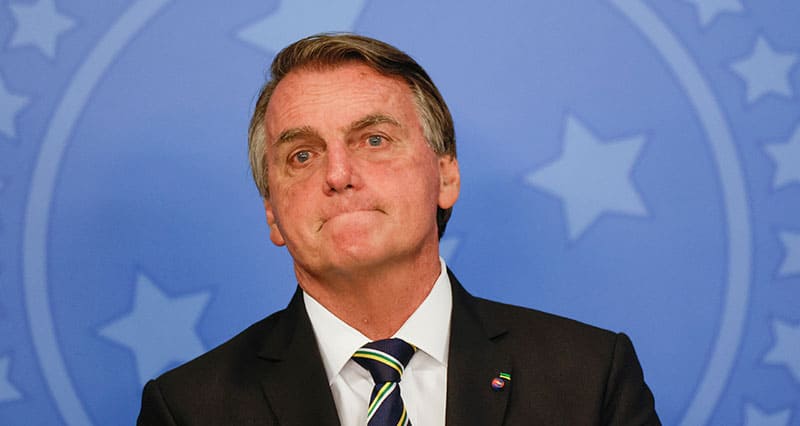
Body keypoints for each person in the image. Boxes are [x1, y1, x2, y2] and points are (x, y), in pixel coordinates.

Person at [137, 33, 660, 425]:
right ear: (272, 211)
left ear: (446, 175)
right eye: (302, 154)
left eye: (374, 140)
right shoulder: (188, 409)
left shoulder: (589, 378)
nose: (338, 175)